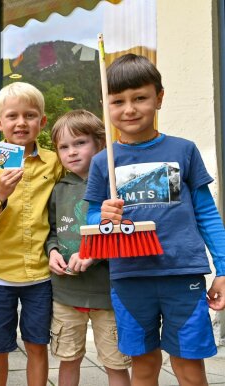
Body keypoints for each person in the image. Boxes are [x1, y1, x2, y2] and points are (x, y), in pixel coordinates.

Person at [85, 54, 225, 386]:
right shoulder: (103, 162)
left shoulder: (184, 151)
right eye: (118, 101)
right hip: (130, 278)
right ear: (106, 105)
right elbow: (92, 218)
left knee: (189, 367)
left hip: (183, 275)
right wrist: (103, 214)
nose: (129, 109)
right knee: (143, 365)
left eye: (140, 98)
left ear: (159, 98)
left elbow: (207, 213)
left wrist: (223, 268)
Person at [0, 82, 63, 386]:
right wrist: (0, 193)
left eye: (30, 115)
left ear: (42, 122)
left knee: (37, 344)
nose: (21, 123)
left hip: (40, 273)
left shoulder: (54, 161)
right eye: (12, 116)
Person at [46, 110, 131, 386]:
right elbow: (53, 231)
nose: (72, 152)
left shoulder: (114, 187)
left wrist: (95, 254)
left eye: (80, 143)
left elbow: (124, 234)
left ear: (99, 144)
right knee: (68, 359)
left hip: (108, 293)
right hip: (66, 292)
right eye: (64, 147)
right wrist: (53, 252)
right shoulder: (59, 189)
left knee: (115, 363)